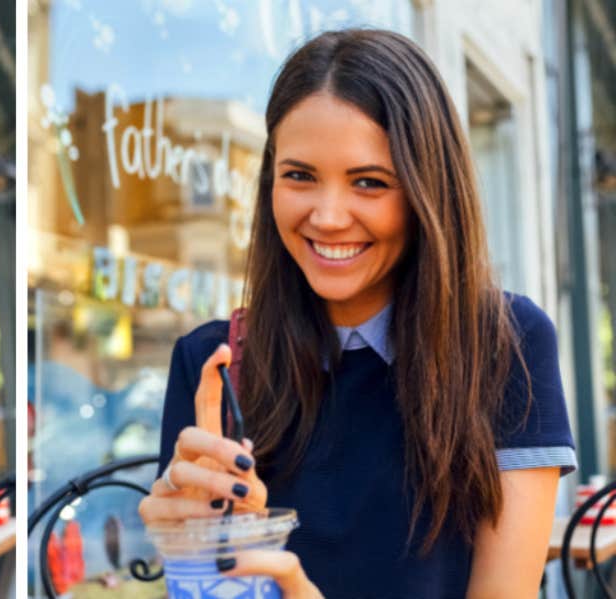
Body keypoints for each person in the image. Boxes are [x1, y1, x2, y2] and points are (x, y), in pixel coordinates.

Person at [138, 29, 574, 598]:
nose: (328, 216)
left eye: (369, 183)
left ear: (428, 190)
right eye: (299, 176)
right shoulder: (211, 365)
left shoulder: (505, 344)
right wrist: (188, 546)